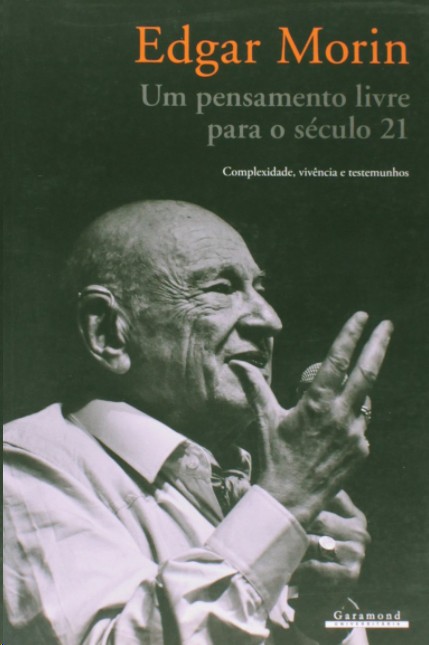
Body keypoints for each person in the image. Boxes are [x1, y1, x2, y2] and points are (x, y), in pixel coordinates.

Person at [3, 200, 393, 644]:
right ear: (109, 331)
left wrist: (319, 613)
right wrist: (286, 499)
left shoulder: (253, 483)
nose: (270, 320)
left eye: (259, 287)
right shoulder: (23, 468)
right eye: (221, 288)